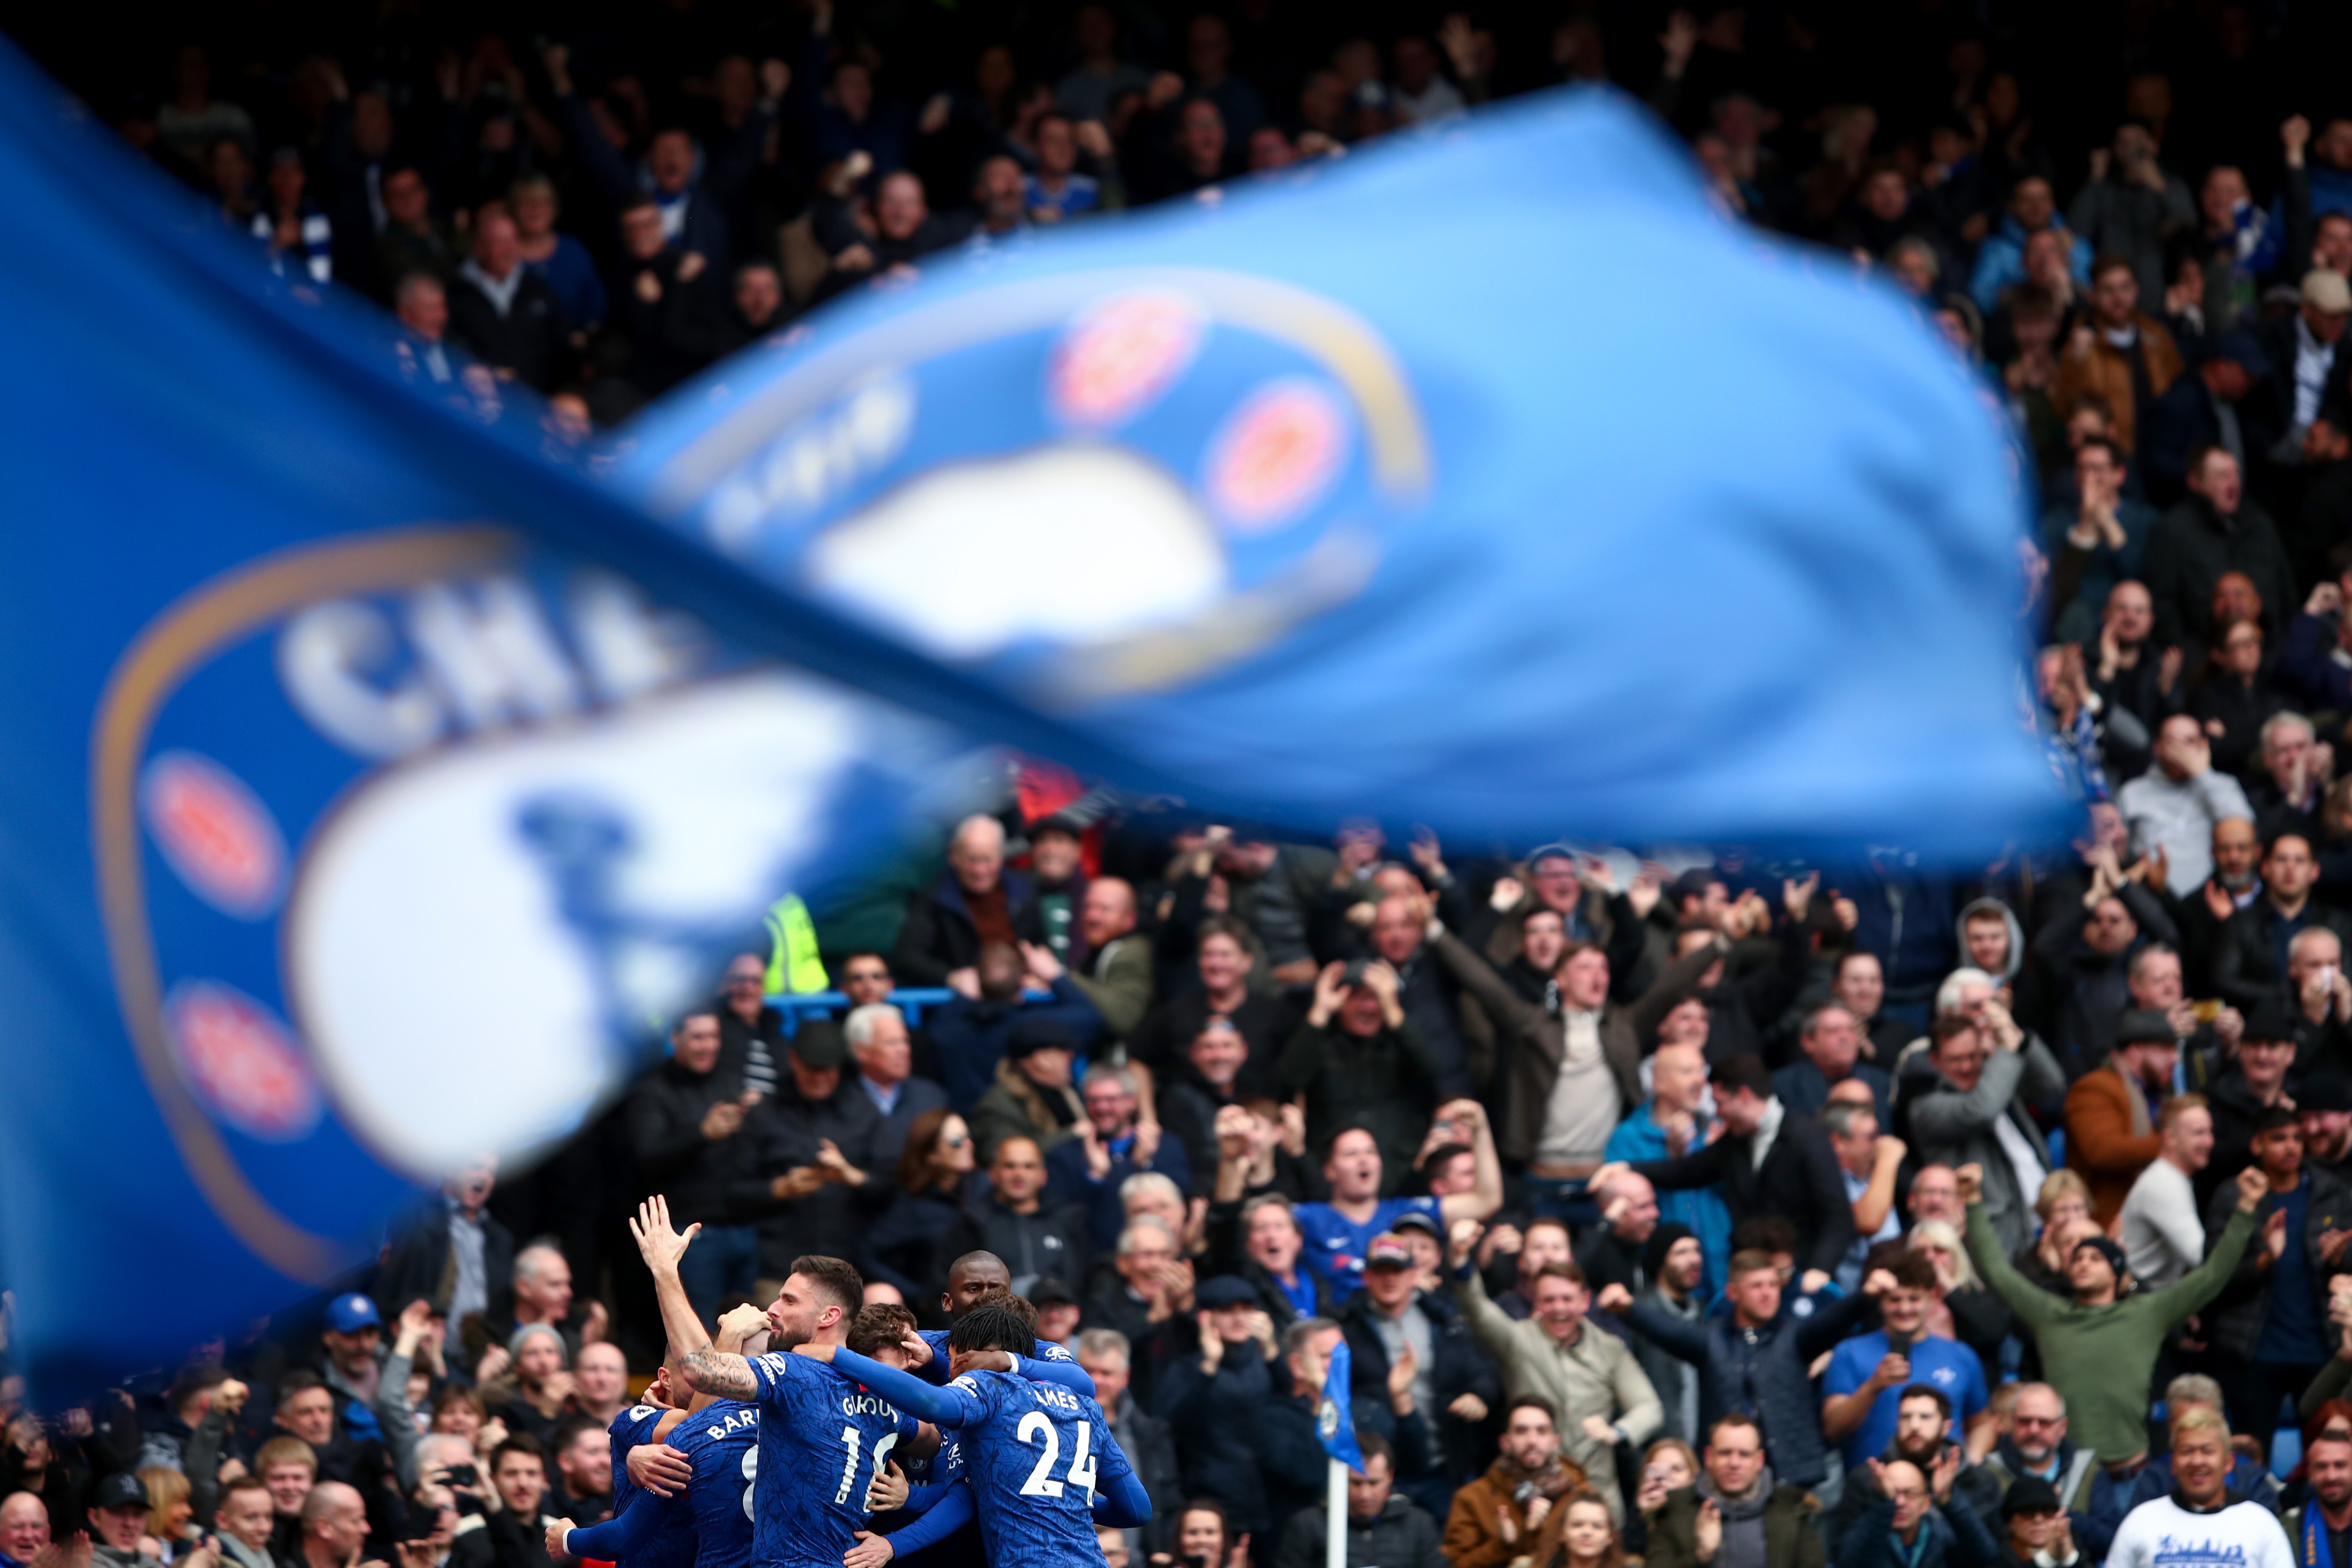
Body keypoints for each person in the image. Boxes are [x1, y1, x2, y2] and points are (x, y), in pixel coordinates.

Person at [629, 1198, 936, 1568]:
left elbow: (700, 1369)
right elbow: (931, 1439)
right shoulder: (882, 1395)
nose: (773, 1308)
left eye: (789, 1300)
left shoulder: (794, 1372)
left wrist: (664, 1271)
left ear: (829, 1315)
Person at [1957, 1159, 2264, 1469]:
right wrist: (1973, 1200)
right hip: (2071, 1473)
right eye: (2077, 1259)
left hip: (2132, 1471)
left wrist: (2246, 1208)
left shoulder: (2148, 1312)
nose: (2084, 1263)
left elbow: (2213, 1276)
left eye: (2095, 1257)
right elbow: (1997, 1271)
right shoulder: (2049, 1314)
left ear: (2117, 1271)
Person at [806, 1304, 1153, 1560]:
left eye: (953, 1359)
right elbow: (1137, 1509)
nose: (952, 1373)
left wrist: (840, 1356)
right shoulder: (1086, 1408)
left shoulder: (989, 1390)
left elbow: (936, 1405)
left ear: (966, 1357)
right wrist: (1062, 1499)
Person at [1608, 1251, 1893, 1493]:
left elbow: (1832, 1321)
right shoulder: (1711, 1338)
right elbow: (1670, 1331)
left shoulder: (1795, 1335)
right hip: (1723, 1480)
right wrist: (1629, 1309)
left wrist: (1866, 1297)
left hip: (1794, 1478)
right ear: (1733, 1293)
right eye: (1757, 1286)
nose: (1768, 1293)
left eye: (1773, 1284)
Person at [1445, 1222, 1658, 1519]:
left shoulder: (1610, 1348)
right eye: (1549, 1300)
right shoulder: (1518, 1339)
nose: (1559, 1309)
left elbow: (1649, 1407)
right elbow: (1478, 1309)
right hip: (1532, 1496)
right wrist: (1459, 1260)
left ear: (1585, 1301)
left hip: (1596, 1495)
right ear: (1536, 1301)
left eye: (1568, 1299)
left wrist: (1618, 1433)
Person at [1602, 1053, 1856, 1278]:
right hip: (1748, 1273)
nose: (1718, 1113)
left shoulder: (1806, 1137)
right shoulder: (1735, 1140)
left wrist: (1820, 1270)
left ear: (1745, 1096)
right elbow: (1688, 1171)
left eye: (1720, 1102)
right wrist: (1629, 1168)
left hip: (1798, 1272)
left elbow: (1837, 1215)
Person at [2198, 1106, 2350, 1452]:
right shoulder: (2233, 1197)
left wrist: (2340, 1260)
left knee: (2329, 1454)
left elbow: (2346, 1269)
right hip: (2254, 1355)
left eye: (2297, 1138)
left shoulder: (2332, 1192)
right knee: (2253, 1457)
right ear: (2257, 1144)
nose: (2291, 1147)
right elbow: (2214, 1280)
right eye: (2279, 1138)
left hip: (2320, 1351)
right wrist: (2265, 1258)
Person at [1904, 1007, 2068, 1257]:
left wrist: (2019, 1041)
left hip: (2040, 1222)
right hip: (1994, 1238)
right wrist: (2005, 1051)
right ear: (1934, 1061)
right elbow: (1982, 1109)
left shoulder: (1996, 1081)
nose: (1967, 1066)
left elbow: (2052, 1085)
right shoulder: (1926, 1108)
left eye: (1974, 1056)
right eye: (1956, 1059)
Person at [1292, 1112, 1501, 1301]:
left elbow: (1486, 1200)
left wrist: (1481, 1129)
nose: (1364, 1160)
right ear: (1330, 1170)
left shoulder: (1404, 1212)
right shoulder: (1308, 1218)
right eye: (1351, 1154)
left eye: (1371, 1152)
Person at [1819, 1253, 1991, 1473]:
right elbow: (1833, 1428)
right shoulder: (1850, 1352)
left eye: (1914, 1299)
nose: (1904, 1309)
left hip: (1943, 1487)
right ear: (1881, 1301)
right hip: (1873, 1488)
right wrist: (1873, 1387)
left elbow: (1982, 1424)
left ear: (1932, 1298)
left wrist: (1972, 1461)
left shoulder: (1960, 1355)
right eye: (1895, 1299)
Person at [2104, 1407, 2292, 1568]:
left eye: (2207, 1451)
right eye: (2187, 1451)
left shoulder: (2261, 1524)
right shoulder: (2140, 1521)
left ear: (2228, 1463)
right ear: (2173, 1464)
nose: (2197, 1461)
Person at [1641, 1414, 1828, 1568]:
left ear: (1759, 1460)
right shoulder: (1675, 1509)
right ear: (1709, 1457)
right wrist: (1701, 1555)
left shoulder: (1791, 1508)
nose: (1734, 1463)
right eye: (1725, 1453)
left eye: (1744, 1455)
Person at [893, 816, 1044, 995]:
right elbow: (908, 956)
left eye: (987, 860)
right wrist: (951, 978)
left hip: (1022, 997)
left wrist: (1038, 974)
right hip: (965, 1001)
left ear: (1000, 858)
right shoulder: (934, 898)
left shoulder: (1024, 891)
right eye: (972, 860)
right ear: (954, 856)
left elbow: (1040, 946)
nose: (980, 870)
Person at [1441, 1396, 1588, 1568]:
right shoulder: (1471, 1499)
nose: (1532, 1441)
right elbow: (1455, 1564)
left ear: (1555, 1442)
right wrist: (1503, 1545)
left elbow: (1601, 1557)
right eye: (1521, 1431)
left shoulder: (1581, 1494)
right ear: (1505, 1443)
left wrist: (1544, 1531)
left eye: (1542, 1431)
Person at [2062, 1010, 2178, 1223]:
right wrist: (2171, 1145)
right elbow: (2103, 1150)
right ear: (2135, 1051)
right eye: (2165, 1050)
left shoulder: (2158, 1094)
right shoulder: (2094, 1089)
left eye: (2176, 1050)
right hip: (2107, 1223)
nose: (2175, 1059)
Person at [1271, 1433, 1444, 1568]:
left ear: (1390, 1476)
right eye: (1356, 1483)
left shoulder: (1418, 1524)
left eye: (1374, 1483)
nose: (1365, 1495)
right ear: (1340, 1478)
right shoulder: (1308, 1526)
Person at [1976, 1385, 2102, 1552]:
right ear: (2013, 1423)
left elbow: (2108, 1539)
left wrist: (2063, 1515)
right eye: (2025, 1421)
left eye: (2044, 1423)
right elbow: (1978, 1545)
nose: (2034, 1430)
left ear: (2062, 1427)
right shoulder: (1989, 1472)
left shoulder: (2087, 1468)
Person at [1831, 1452, 1998, 1568]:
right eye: (1893, 1494)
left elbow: (1985, 1556)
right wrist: (1884, 1506)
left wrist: (1949, 1501)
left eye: (1910, 1494)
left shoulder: (1938, 1534)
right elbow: (1848, 1563)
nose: (1900, 1502)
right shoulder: (1869, 1532)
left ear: (1926, 1503)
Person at [2118, 1095, 2214, 1289]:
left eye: (2210, 1132)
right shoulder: (2163, 1184)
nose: (2209, 1142)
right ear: (2170, 1138)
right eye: (2199, 1133)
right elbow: (2202, 1257)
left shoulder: (2172, 1178)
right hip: (2135, 1298)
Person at [847, 1001, 948, 1171]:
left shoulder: (931, 1097)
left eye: (905, 1041)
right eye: (892, 1043)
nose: (903, 1050)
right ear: (862, 1052)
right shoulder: (840, 1101)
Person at [2285, 1430, 2352, 1568]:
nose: (2331, 1476)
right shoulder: (2289, 1529)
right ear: (2310, 1474)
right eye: (2322, 1467)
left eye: (2340, 1465)